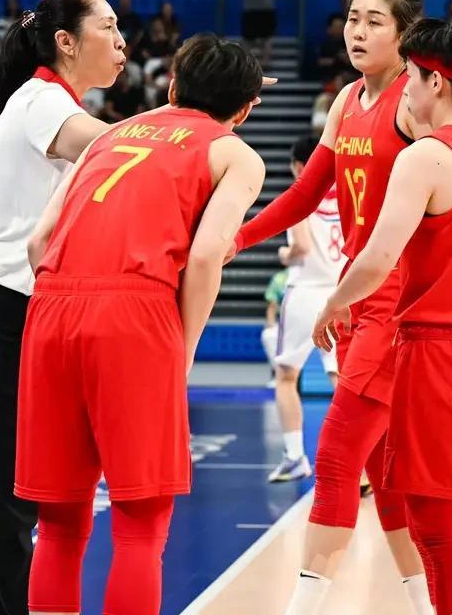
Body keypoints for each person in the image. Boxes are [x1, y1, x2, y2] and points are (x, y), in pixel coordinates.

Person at [15, 33, 266, 615]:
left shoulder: (109, 135)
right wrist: (183, 345)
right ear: (246, 109)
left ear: (172, 87)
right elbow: (206, 254)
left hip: (51, 305)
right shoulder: (235, 154)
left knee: (58, 525)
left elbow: (38, 242)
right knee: (140, 524)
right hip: (135, 312)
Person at [229, 0, 433, 615]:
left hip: (396, 300)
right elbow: (305, 192)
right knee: (384, 470)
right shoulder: (346, 99)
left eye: (375, 21)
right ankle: (429, 604)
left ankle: (303, 607)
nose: (357, 31)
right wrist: (238, 238)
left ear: (404, 35)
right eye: (352, 19)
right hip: (359, 294)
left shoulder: (416, 102)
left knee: (339, 454)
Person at [312, 18, 452, 615]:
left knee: (443, 532)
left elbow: (378, 257)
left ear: (436, 81)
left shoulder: (427, 156)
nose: (404, 86)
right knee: (437, 528)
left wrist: (334, 302)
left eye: (410, 74)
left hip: (441, 353)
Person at [0, 0, 127, 615]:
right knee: (9, 502)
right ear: (66, 42)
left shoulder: (47, 100)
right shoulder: (42, 100)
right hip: (1, 316)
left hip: (13, 316)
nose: (122, 41)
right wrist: (193, 120)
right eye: (108, 27)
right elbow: (115, 148)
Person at [269, 136, 346, 483]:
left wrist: (284, 255)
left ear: (300, 166)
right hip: (340, 294)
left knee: (286, 376)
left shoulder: (301, 195)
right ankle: (358, 460)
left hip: (305, 293)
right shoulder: (346, 196)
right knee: (341, 379)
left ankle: (294, 456)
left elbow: (300, 246)